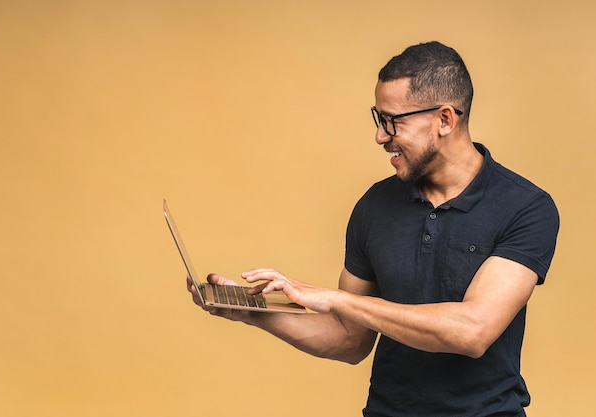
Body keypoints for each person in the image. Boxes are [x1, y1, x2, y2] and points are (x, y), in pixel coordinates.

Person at [186, 41, 559, 417]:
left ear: (445, 119)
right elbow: (350, 339)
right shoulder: (374, 205)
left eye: (392, 121)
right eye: (377, 119)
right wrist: (254, 312)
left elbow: (472, 332)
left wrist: (336, 299)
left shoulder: (525, 207)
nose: (380, 136)